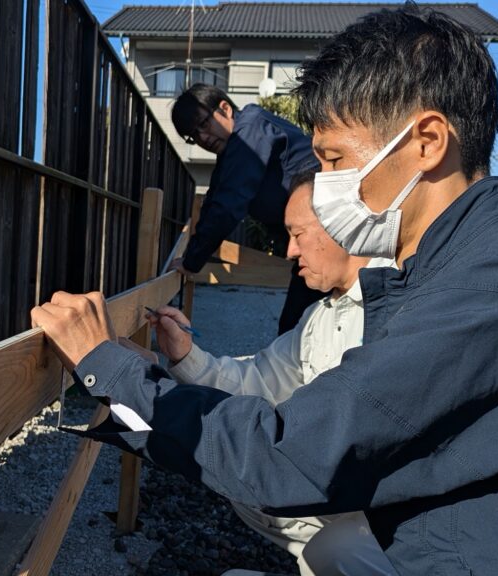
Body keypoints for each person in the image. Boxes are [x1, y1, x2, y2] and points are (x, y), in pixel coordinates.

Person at [31, 4, 498, 574]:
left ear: (426, 142)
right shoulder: (445, 273)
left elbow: (293, 453)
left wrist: (107, 365)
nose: (325, 185)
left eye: (336, 161)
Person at [147, 172, 396, 575]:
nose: (289, 251)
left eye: (298, 234)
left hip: (401, 536)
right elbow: (258, 381)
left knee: (336, 544)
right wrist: (185, 356)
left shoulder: (402, 308)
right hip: (347, 522)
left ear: (342, 224)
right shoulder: (320, 317)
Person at [170, 85, 324, 335]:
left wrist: (192, 261)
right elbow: (214, 200)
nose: (203, 139)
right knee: (301, 328)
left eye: (204, 124)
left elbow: (228, 204)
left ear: (225, 108)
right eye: (193, 136)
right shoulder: (234, 148)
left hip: (325, 232)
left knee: (297, 329)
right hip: (311, 239)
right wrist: (190, 257)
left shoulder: (250, 130)